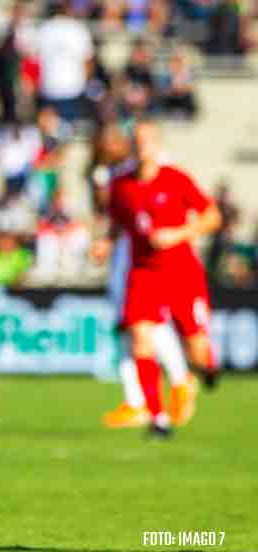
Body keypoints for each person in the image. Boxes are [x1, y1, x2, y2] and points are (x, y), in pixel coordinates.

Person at [107, 120, 221, 438]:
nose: (142, 146)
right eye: (137, 140)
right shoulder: (121, 185)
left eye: (148, 140)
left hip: (182, 272)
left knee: (197, 350)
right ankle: (158, 418)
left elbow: (212, 216)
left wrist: (181, 233)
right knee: (140, 337)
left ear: (157, 145)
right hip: (143, 272)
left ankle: (206, 370)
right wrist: (105, 242)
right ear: (131, 144)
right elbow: (118, 222)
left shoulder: (176, 179)